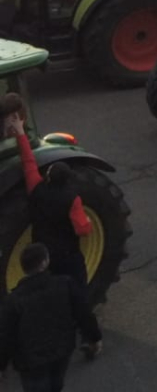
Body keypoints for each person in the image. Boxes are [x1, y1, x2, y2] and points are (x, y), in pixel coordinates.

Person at [2, 95, 92, 293]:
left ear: (49, 176)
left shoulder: (36, 187)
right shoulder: (73, 199)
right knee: (77, 286)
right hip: (67, 253)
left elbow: (29, 162)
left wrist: (19, 134)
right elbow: (82, 229)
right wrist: (87, 221)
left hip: (45, 251)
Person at [0, 243, 103, 392]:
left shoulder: (13, 301)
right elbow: (84, 313)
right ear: (45, 262)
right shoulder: (66, 284)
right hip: (61, 352)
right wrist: (94, 338)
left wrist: (1, 365)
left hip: (31, 362)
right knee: (56, 384)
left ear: (23, 268)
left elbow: (6, 336)